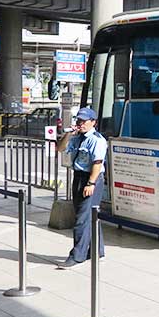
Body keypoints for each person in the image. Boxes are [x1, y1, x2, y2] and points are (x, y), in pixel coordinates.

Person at [56, 107, 107, 269]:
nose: (80, 124)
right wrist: (69, 133)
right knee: (88, 216)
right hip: (78, 177)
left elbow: (97, 163)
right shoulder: (77, 138)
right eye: (79, 120)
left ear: (93, 122)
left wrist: (91, 183)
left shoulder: (97, 140)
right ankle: (97, 251)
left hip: (91, 178)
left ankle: (78, 255)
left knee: (82, 219)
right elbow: (60, 148)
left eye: (84, 121)